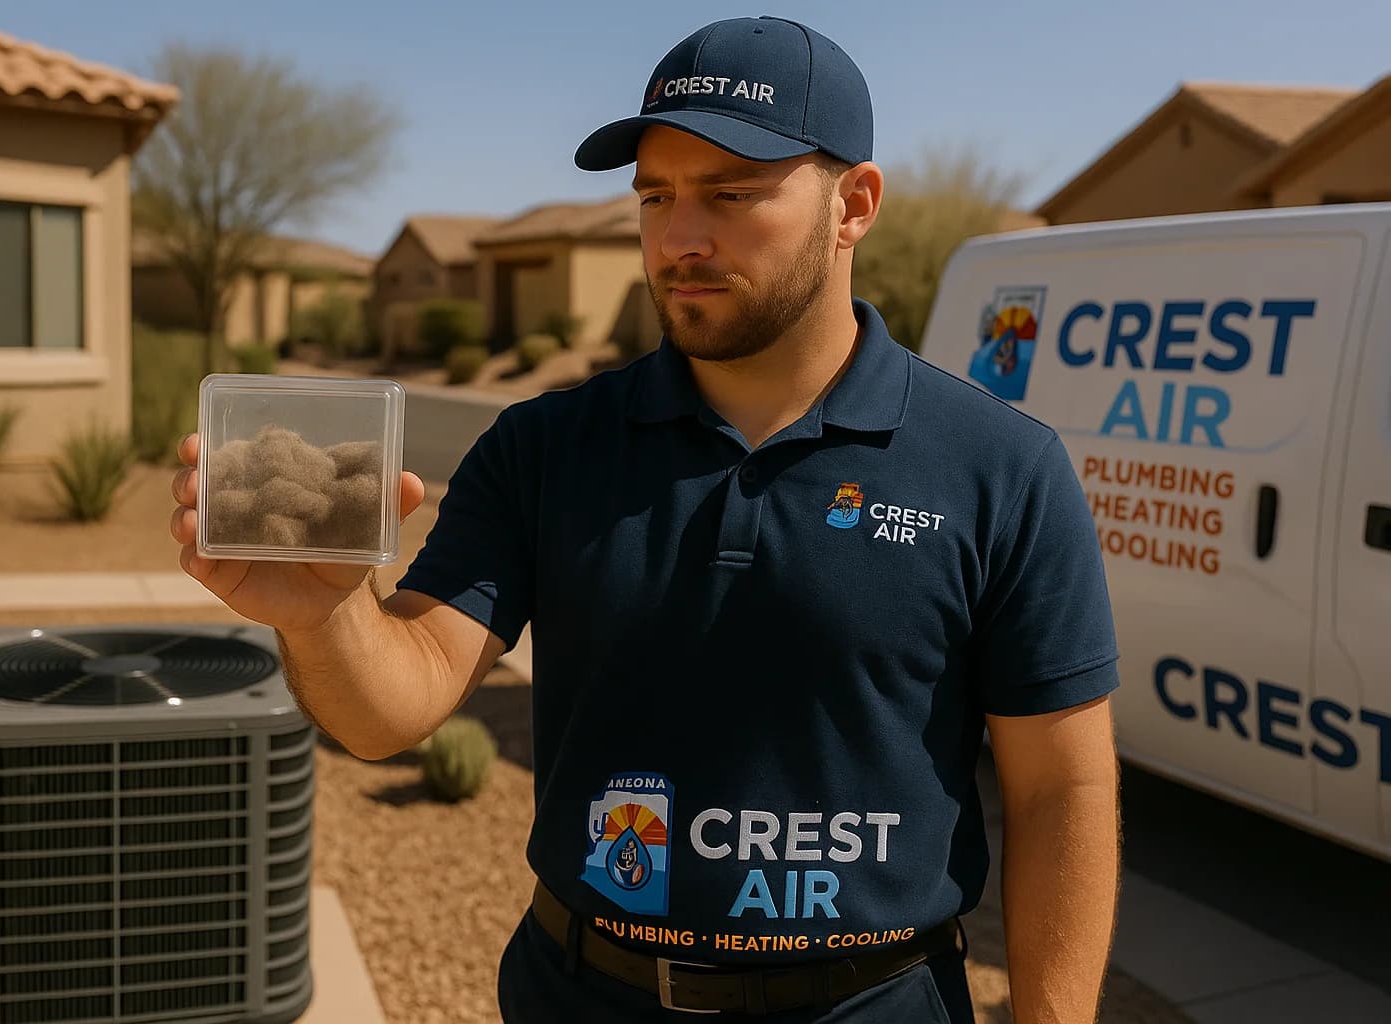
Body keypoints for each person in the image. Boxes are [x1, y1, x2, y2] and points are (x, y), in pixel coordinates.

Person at [170, 15, 1122, 1023]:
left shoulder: (1003, 469)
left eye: (730, 192)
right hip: (584, 995)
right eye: (655, 197)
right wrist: (322, 616)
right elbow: (391, 706)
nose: (679, 239)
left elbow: (1062, 790)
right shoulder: (545, 449)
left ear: (855, 204)